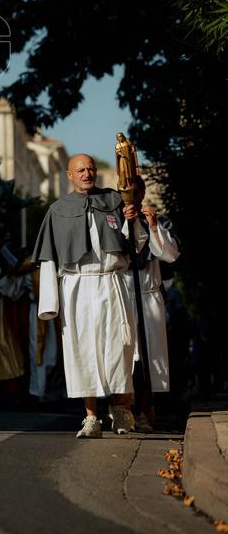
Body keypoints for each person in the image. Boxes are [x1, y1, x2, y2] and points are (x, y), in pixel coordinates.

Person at [33, 153, 148, 438]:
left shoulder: (114, 200)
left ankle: (121, 410)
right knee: (83, 350)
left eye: (91, 168)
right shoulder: (58, 210)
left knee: (118, 348)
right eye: (80, 170)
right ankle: (91, 417)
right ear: (70, 175)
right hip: (77, 286)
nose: (87, 173)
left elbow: (137, 242)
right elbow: (48, 258)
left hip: (111, 282)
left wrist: (131, 220)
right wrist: (50, 304)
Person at [127, 176, 180, 432]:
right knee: (124, 355)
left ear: (143, 193)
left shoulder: (156, 220)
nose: (132, 196)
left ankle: (145, 408)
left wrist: (154, 225)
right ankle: (124, 408)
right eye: (126, 191)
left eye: (136, 192)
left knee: (148, 357)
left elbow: (169, 255)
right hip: (121, 297)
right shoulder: (114, 221)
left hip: (148, 297)